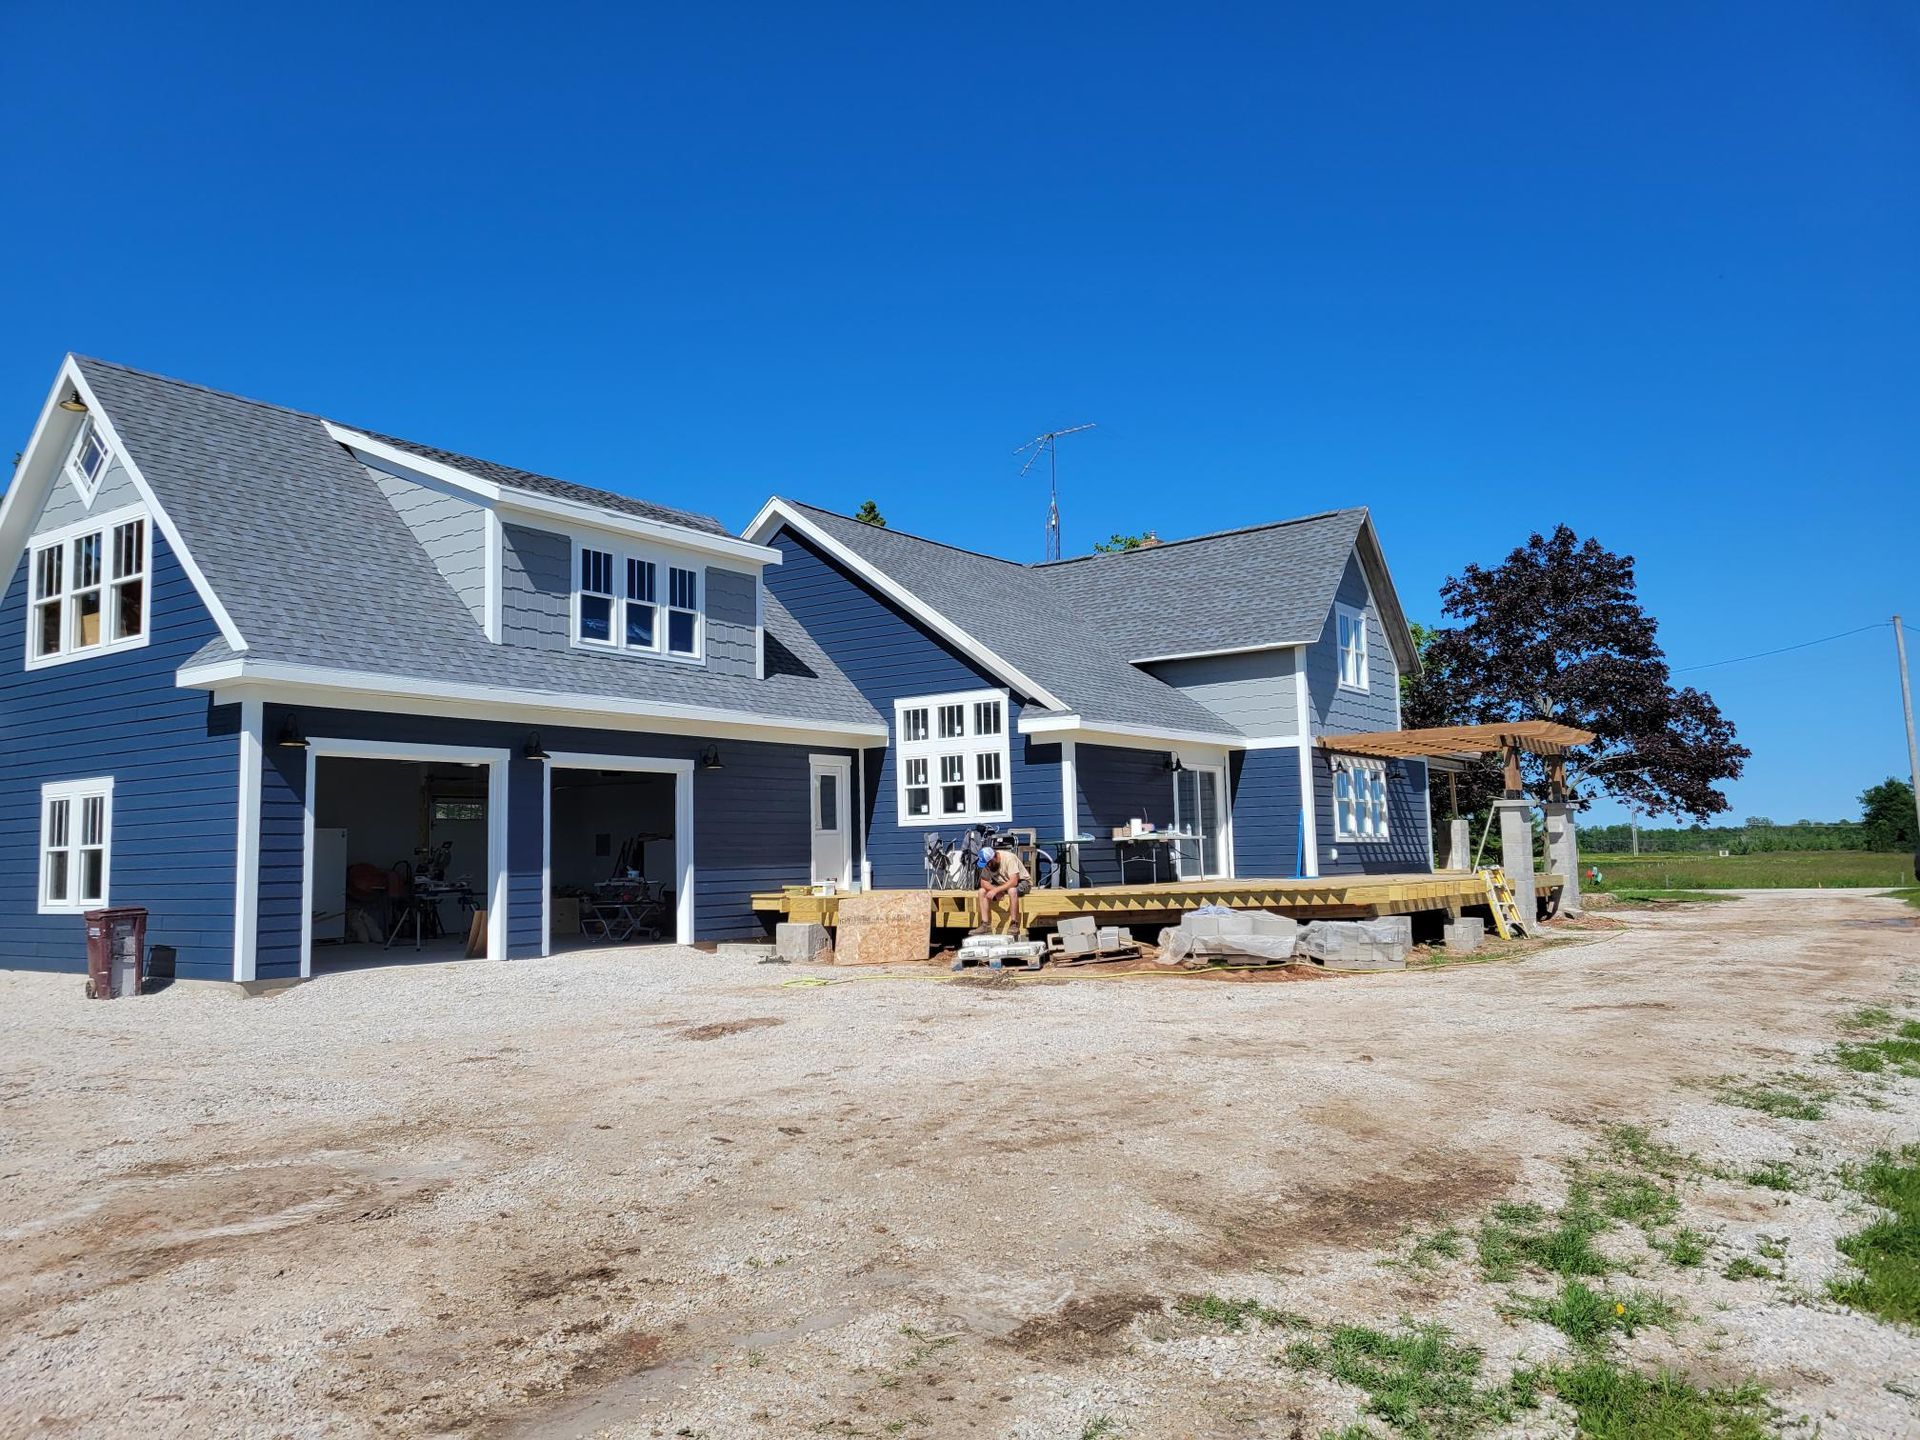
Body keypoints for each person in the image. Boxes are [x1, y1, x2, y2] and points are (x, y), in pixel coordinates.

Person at [972, 844, 1031, 935]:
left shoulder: (1009, 858)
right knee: (981, 891)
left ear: (994, 857)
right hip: (1003, 883)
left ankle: (1014, 924)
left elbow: (1014, 881)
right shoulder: (987, 864)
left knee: (1012, 890)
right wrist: (994, 890)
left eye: (988, 863)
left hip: (1022, 882)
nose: (987, 866)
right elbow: (983, 882)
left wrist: (996, 890)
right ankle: (985, 924)